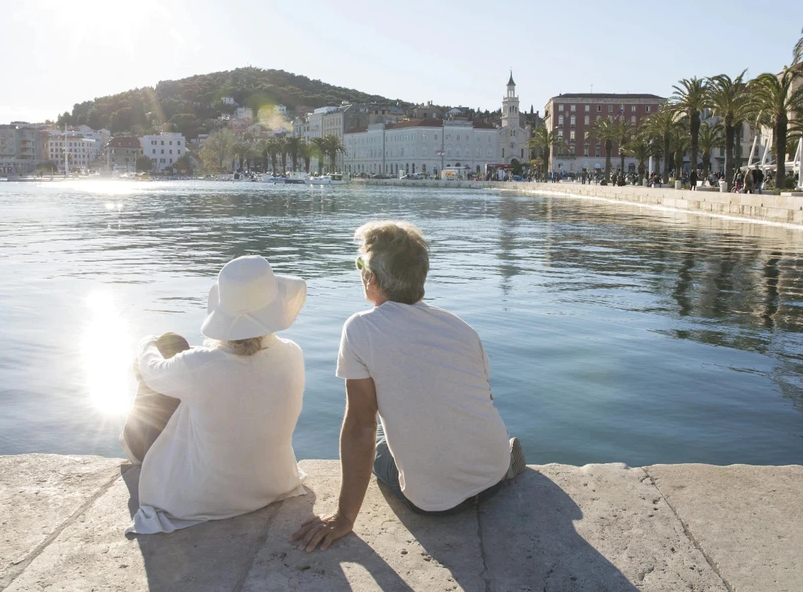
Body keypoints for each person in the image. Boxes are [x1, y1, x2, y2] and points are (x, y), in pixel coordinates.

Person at [291, 221, 524, 553]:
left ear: (371, 278)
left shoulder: (360, 329)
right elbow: (483, 397)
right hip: (494, 474)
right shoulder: (460, 328)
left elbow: (361, 425)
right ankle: (500, 460)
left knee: (381, 450)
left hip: (435, 504)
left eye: (360, 265)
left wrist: (344, 517)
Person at [124, 255, 308, 534]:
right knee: (184, 368)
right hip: (274, 484)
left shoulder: (200, 365)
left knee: (169, 347)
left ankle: (135, 450)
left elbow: (150, 369)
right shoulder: (293, 353)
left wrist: (146, 341)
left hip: (204, 498)